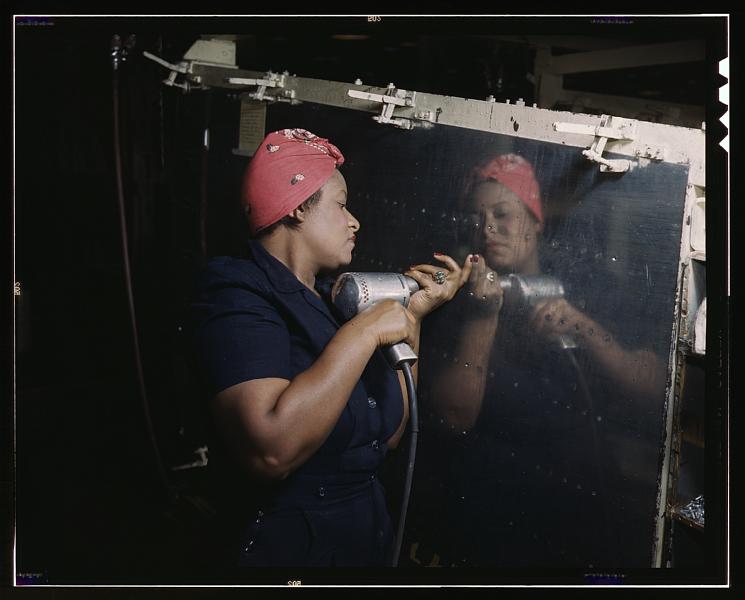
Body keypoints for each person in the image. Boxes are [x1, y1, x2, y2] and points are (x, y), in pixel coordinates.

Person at [190, 128, 473, 569]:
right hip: (287, 554)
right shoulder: (238, 294)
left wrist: (411, 319)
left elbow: (392, 434)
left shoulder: (327, 301)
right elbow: (271, 450)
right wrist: (363, 333)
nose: (354, 220)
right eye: (341, 205)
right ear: (300, 207)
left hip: (361, 539)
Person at [408, 153, 666, 567]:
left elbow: (654, 390)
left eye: (503, 214)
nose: (488, 227)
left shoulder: (588, 283)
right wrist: (482, 317)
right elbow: (453, 417)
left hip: (576, 505)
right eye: (478, 216)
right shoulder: (452, 299)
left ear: (536, 220)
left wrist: (583, 326)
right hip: (485, 509)